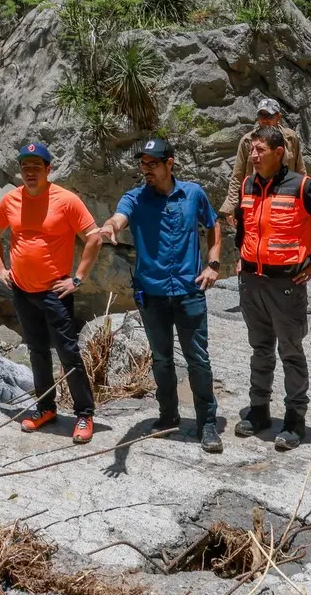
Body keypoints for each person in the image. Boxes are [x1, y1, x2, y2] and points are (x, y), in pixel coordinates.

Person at [96, 137, 224, 453]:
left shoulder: (193, 193)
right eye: (143, 164)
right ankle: (168, 416)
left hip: (188, 291)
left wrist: (214, 263)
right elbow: (119, 217)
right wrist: (110, 226)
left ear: (170, 163)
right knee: (162, 360)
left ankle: (207, 423)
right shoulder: (136, 198)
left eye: (153, 163)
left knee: (198, 359)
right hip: (151, 294)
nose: (146, 170)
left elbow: (213, 225)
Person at [235, 126, 311, 451]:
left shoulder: (302, 187)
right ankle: (259, 412)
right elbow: (243, 225)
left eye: (260, 150)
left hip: (286, 285)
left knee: (291, 352)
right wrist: (240, 254)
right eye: (251, 150)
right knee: (260, 350)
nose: (253, 156)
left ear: (279, 152)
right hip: (251, 283)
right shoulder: (247, 185)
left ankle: (294, 420)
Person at [0, 142, 104, 444]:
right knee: (37, 352)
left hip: (56, 292)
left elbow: (94, 238)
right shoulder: (11, 200)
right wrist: (1, 269)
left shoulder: (66, 200)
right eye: (25, 167)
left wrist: (77, 279)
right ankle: (46, 408)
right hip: (22, 291)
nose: (30, 172)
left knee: (68, 353)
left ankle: (84, 414)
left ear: (48, 170)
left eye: (37, 167)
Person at [219, 98, 306, 227]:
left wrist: (304, 202)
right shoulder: (248, 141)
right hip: (256, 199)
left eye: (269, 115)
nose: (264, 119)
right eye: (261, 115)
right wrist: (231, 206)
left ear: (278, 117)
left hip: (286, 199)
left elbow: (300, 170)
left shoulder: (290, 138)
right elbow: (237, 176)